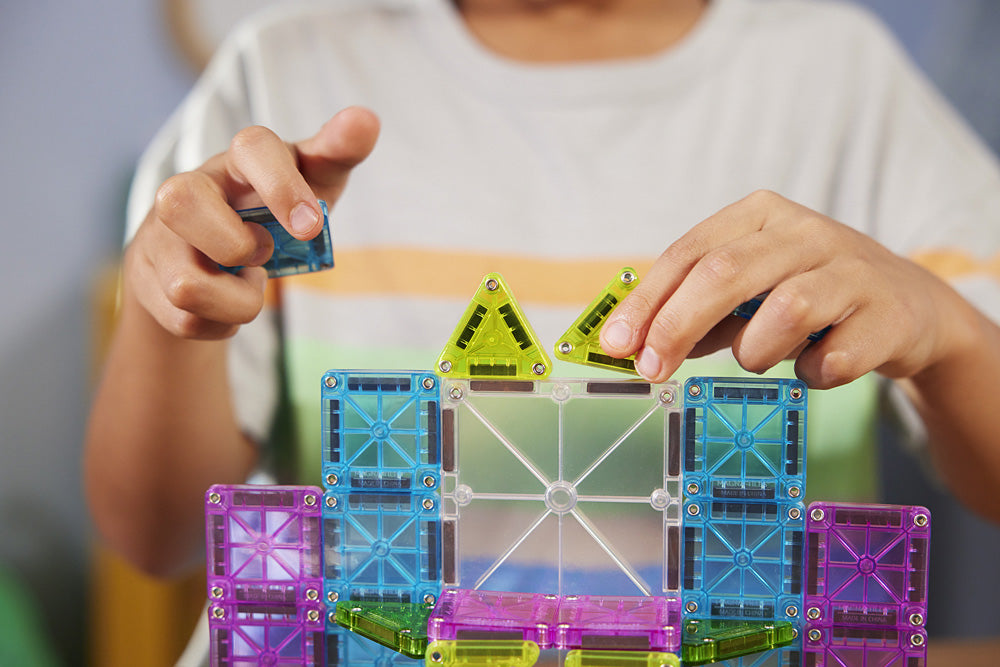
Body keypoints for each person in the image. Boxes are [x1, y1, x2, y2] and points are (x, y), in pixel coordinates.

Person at [86, 0, 1000, 587]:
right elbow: (154, 536)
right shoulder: (277, 70)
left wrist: (947, 330)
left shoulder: (842, 74)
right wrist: (171, 319)